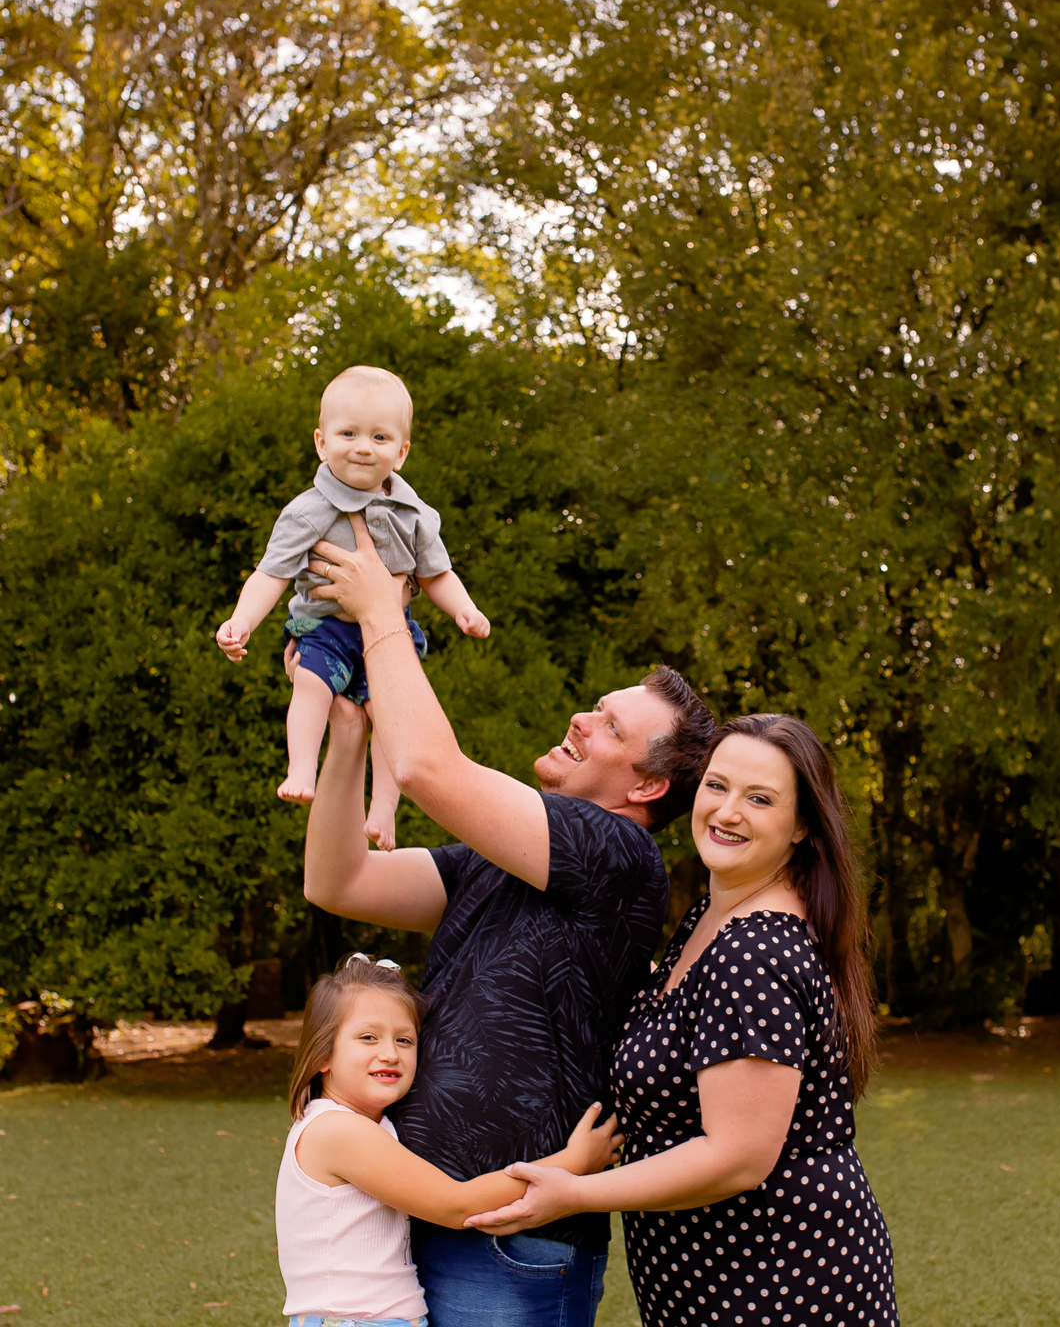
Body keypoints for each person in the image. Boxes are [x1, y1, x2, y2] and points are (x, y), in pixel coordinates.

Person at [301, 510, 715, 1327]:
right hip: (428, 1217)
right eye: (595, 706)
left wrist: (383, 613)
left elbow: (427, 767)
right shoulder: (501, 860)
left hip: (516, 1239)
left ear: (646, 787)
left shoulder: (619, 856)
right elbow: (338, 879)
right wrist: (349, 739)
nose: (582, 719)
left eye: (611, 727)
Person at [465, 713, 900, 1327]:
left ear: (802, 825)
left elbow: (738, 1156)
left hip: (776, 1286)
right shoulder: (710, 917)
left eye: (760, 799)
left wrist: (575, 1193)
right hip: (713, 1279)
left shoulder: (755, 952)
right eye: (717, 786)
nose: (727, 812)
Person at [215, 364, 490, 848]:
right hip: (324, 629)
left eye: (379, 437)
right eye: (349, 434)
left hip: (388, 633)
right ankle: (301, 767)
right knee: (311, 684)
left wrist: (463, 609)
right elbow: (271, 574)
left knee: (390, 719)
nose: (363, 446)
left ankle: (383, 809)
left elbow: (436, 574)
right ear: (322, 443)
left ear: (401, 452)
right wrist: (242, 621)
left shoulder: (416, 514)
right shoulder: (307, 511)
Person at [276, 951, 621, 1327]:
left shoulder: (360, 1125)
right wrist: (573, 1162)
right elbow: (457, 1206)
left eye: (404, 1040)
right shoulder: (338, 1131)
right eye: (368, 1037)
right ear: (322, 1055)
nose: (390, 1053)